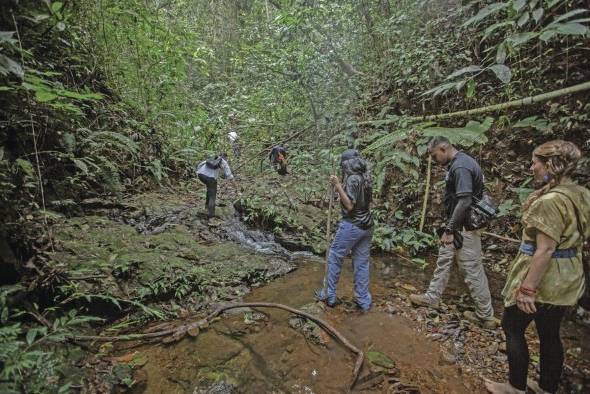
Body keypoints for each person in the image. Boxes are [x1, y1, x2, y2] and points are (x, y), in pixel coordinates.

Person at [485, 140, 590, 394]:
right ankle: (546, 387)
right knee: (549, 331)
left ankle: (515, 386)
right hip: (569, 275)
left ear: (550, 166)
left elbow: (545, 249)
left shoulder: (550, 201)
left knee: (512, 326)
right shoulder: (581, 193)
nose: (531, 167)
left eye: (535, 162)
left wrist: (527, 289)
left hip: (546, 276)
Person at [409, 136, 497, 328]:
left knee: (472, 270)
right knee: (444, 259)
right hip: (457, 226)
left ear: (443, 148)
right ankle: (432, 297)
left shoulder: (460, 167)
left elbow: (464, 201)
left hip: (463, 228)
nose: (434, 160)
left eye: (434, 155)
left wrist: (449, 229)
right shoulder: (460, 163)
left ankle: (486, 315)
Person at [315, 149, 374, 312]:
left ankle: (329, 294)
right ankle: (363, 300)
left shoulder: (353, 178)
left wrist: (337, 185)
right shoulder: (366, 177)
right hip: (367, 226)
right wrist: (340, 193)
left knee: (334, 256)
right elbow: (364, 202)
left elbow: (349, 206)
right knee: (361, 263)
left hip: (352, 225)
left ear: (346, 164)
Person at [195, 153, 238, 219]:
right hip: (210, 178)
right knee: (212, 194)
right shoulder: (224, 162)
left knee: (209, 189)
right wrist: (236, 188)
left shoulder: (213, 157)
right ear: (225, 158)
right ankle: (211, 215)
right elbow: (230, 176)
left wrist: (198, 172)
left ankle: (206, 207)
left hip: (200, 175)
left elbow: (201, 164)